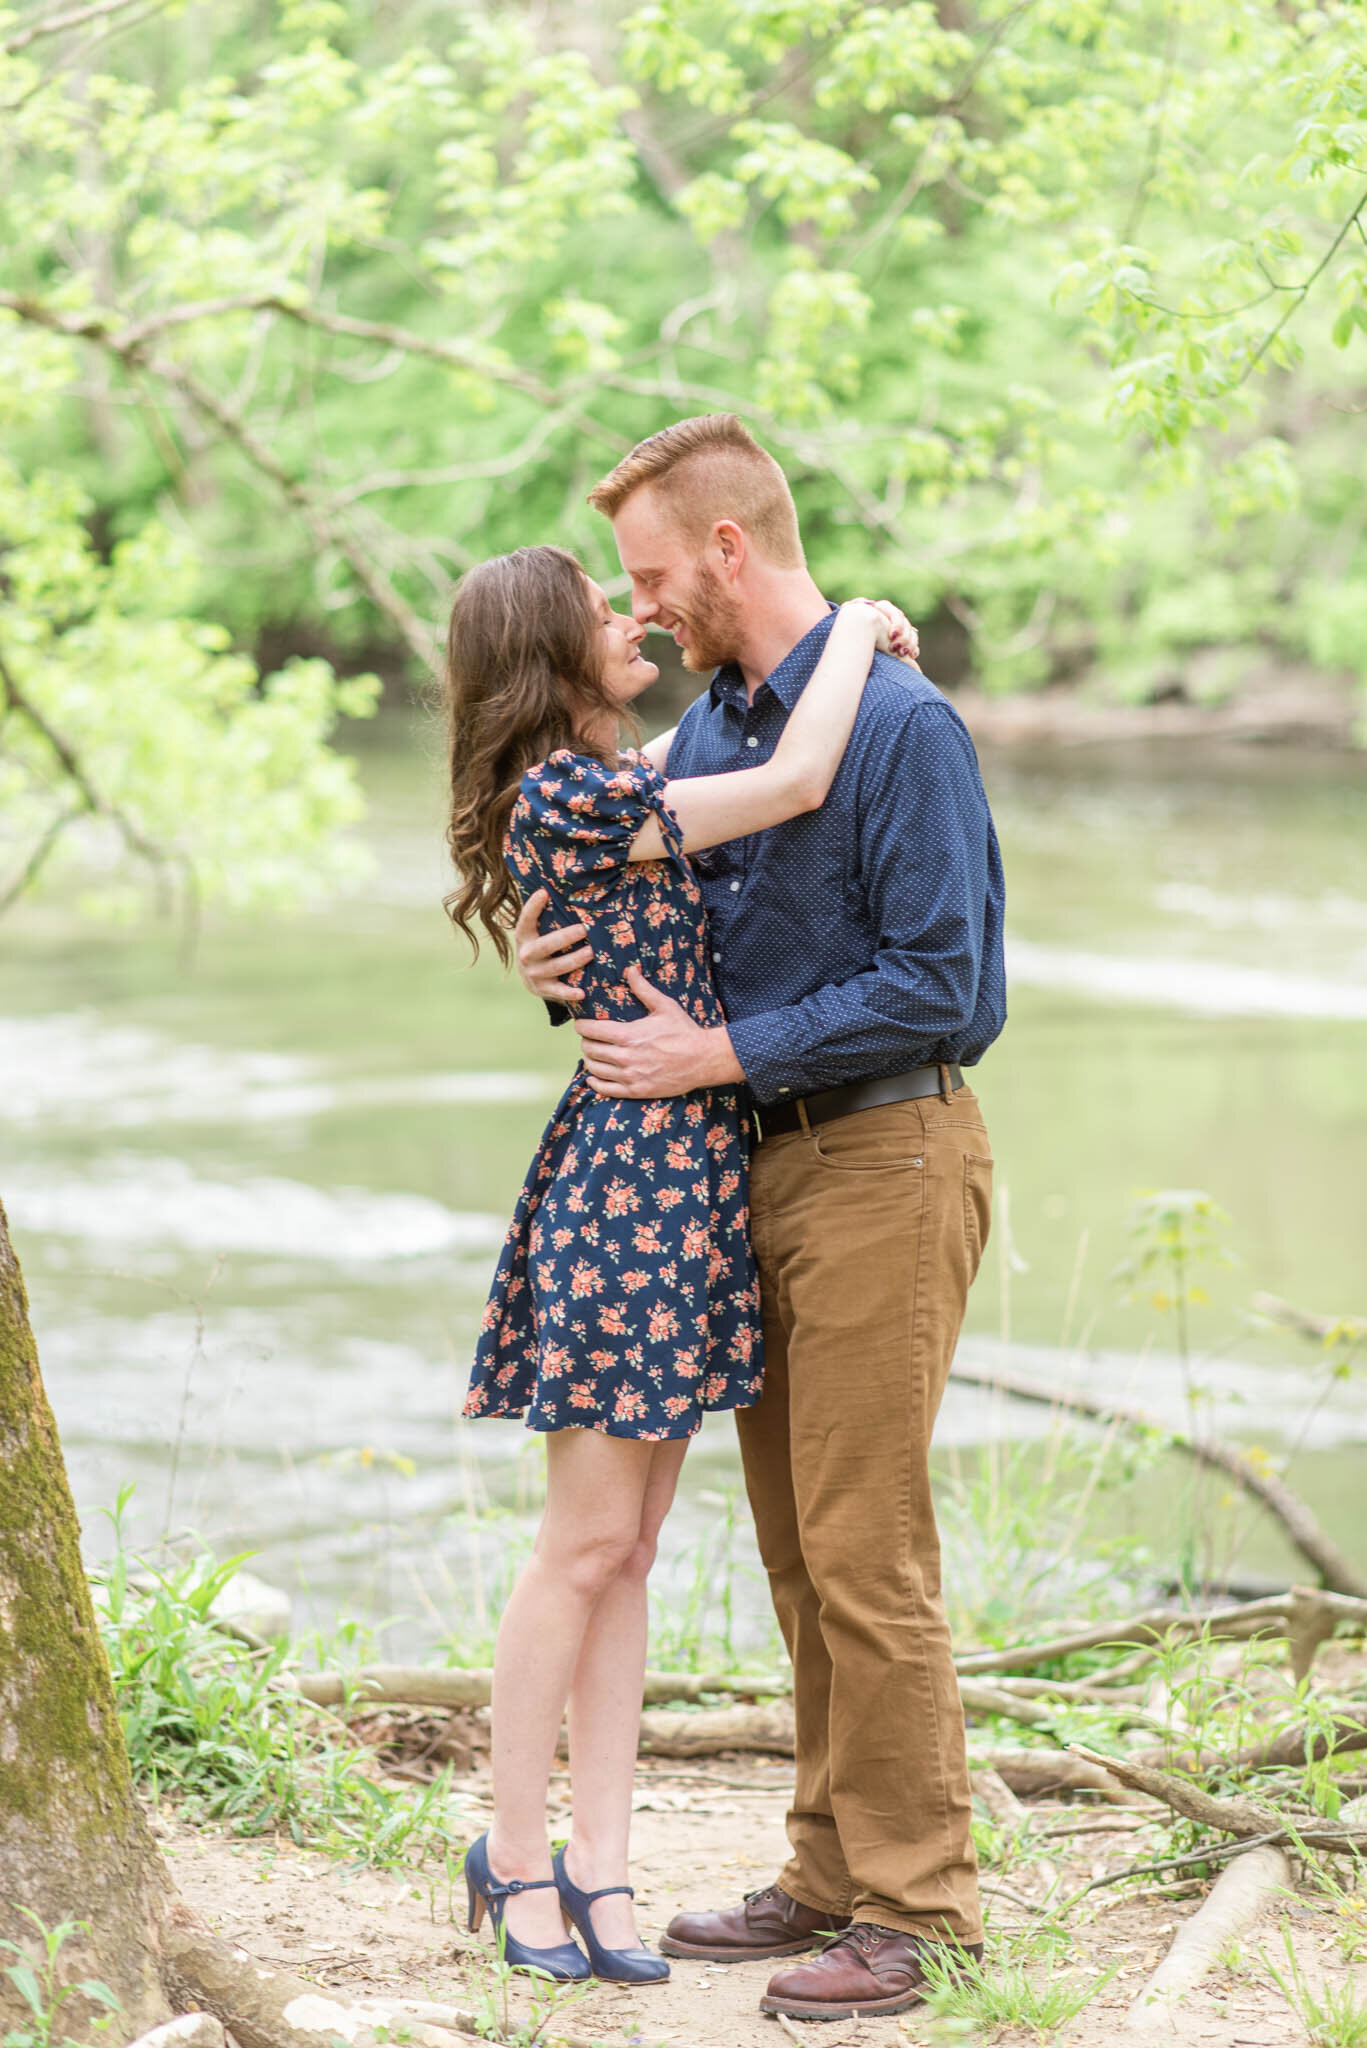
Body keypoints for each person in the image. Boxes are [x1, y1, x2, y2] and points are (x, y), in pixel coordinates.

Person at [513, 415, 1007, 2022]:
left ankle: (921, 1910)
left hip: (884, 1156)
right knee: (800, 1553)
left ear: (729, 550)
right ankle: (826, 1868)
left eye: (656, 574)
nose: (643, 609)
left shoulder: (902, 729)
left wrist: (712, 1055)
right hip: (750, 1176)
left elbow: (944, 985)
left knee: (868, 1546)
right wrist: (553, 963)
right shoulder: (716, 736)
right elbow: (611, 886)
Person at [443, 540, 912, 1986]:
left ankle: (605, 1869)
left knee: (631, 1552)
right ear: (550, 654)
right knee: (580, 1549)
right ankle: (515, 1858)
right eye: (602, 607)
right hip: (627, 1194)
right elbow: (786, 785)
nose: (630, 613)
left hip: (683, 1189)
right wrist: (858, 626)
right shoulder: (578, 795)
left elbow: (717, 798)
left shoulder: (618, 781)